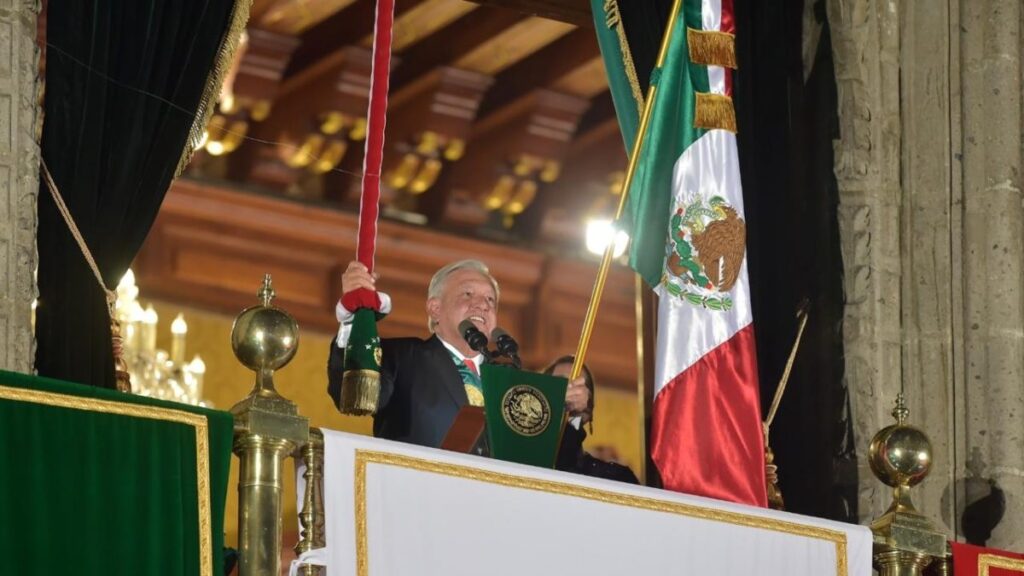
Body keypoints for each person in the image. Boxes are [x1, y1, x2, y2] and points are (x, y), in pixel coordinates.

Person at [327, 259, 591, 449]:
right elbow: (352, 396)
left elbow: (547, 458)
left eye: (490, 300)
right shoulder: (402, 357)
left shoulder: (512, 380)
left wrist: (572, 414)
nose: (482, 305)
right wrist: (353, 317)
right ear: (434, 308)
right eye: (467, 293)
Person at [545, 356, 640, 484]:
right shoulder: (521, 458)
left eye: (577, 387)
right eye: (559, 383)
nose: (568, 392)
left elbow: (567, 461)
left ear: (588, 410)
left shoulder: (615, 479)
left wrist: (574, 416)